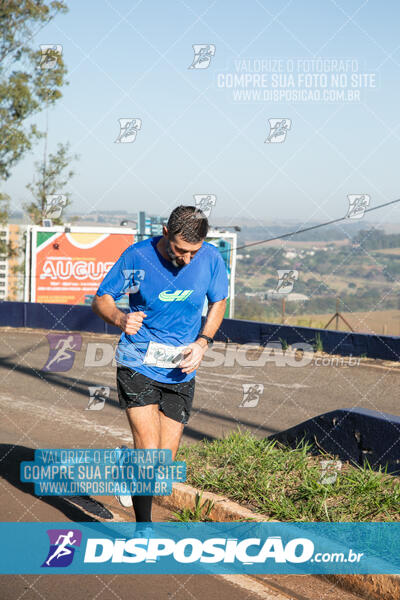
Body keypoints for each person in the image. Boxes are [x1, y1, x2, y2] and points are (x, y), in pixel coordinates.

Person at [92, 205, 228, 523]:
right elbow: (102, 298)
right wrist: (120, 317)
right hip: (137, 361)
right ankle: (144, 529)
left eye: (193, 252)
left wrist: (203, 342)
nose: (187, 259)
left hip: (180, 368)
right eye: (181, 250)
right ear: (166, 233)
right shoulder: (137, 257)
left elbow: (219, 300)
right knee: (149, 451)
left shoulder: (209, 258)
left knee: (162, 466)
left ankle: (126, 464)